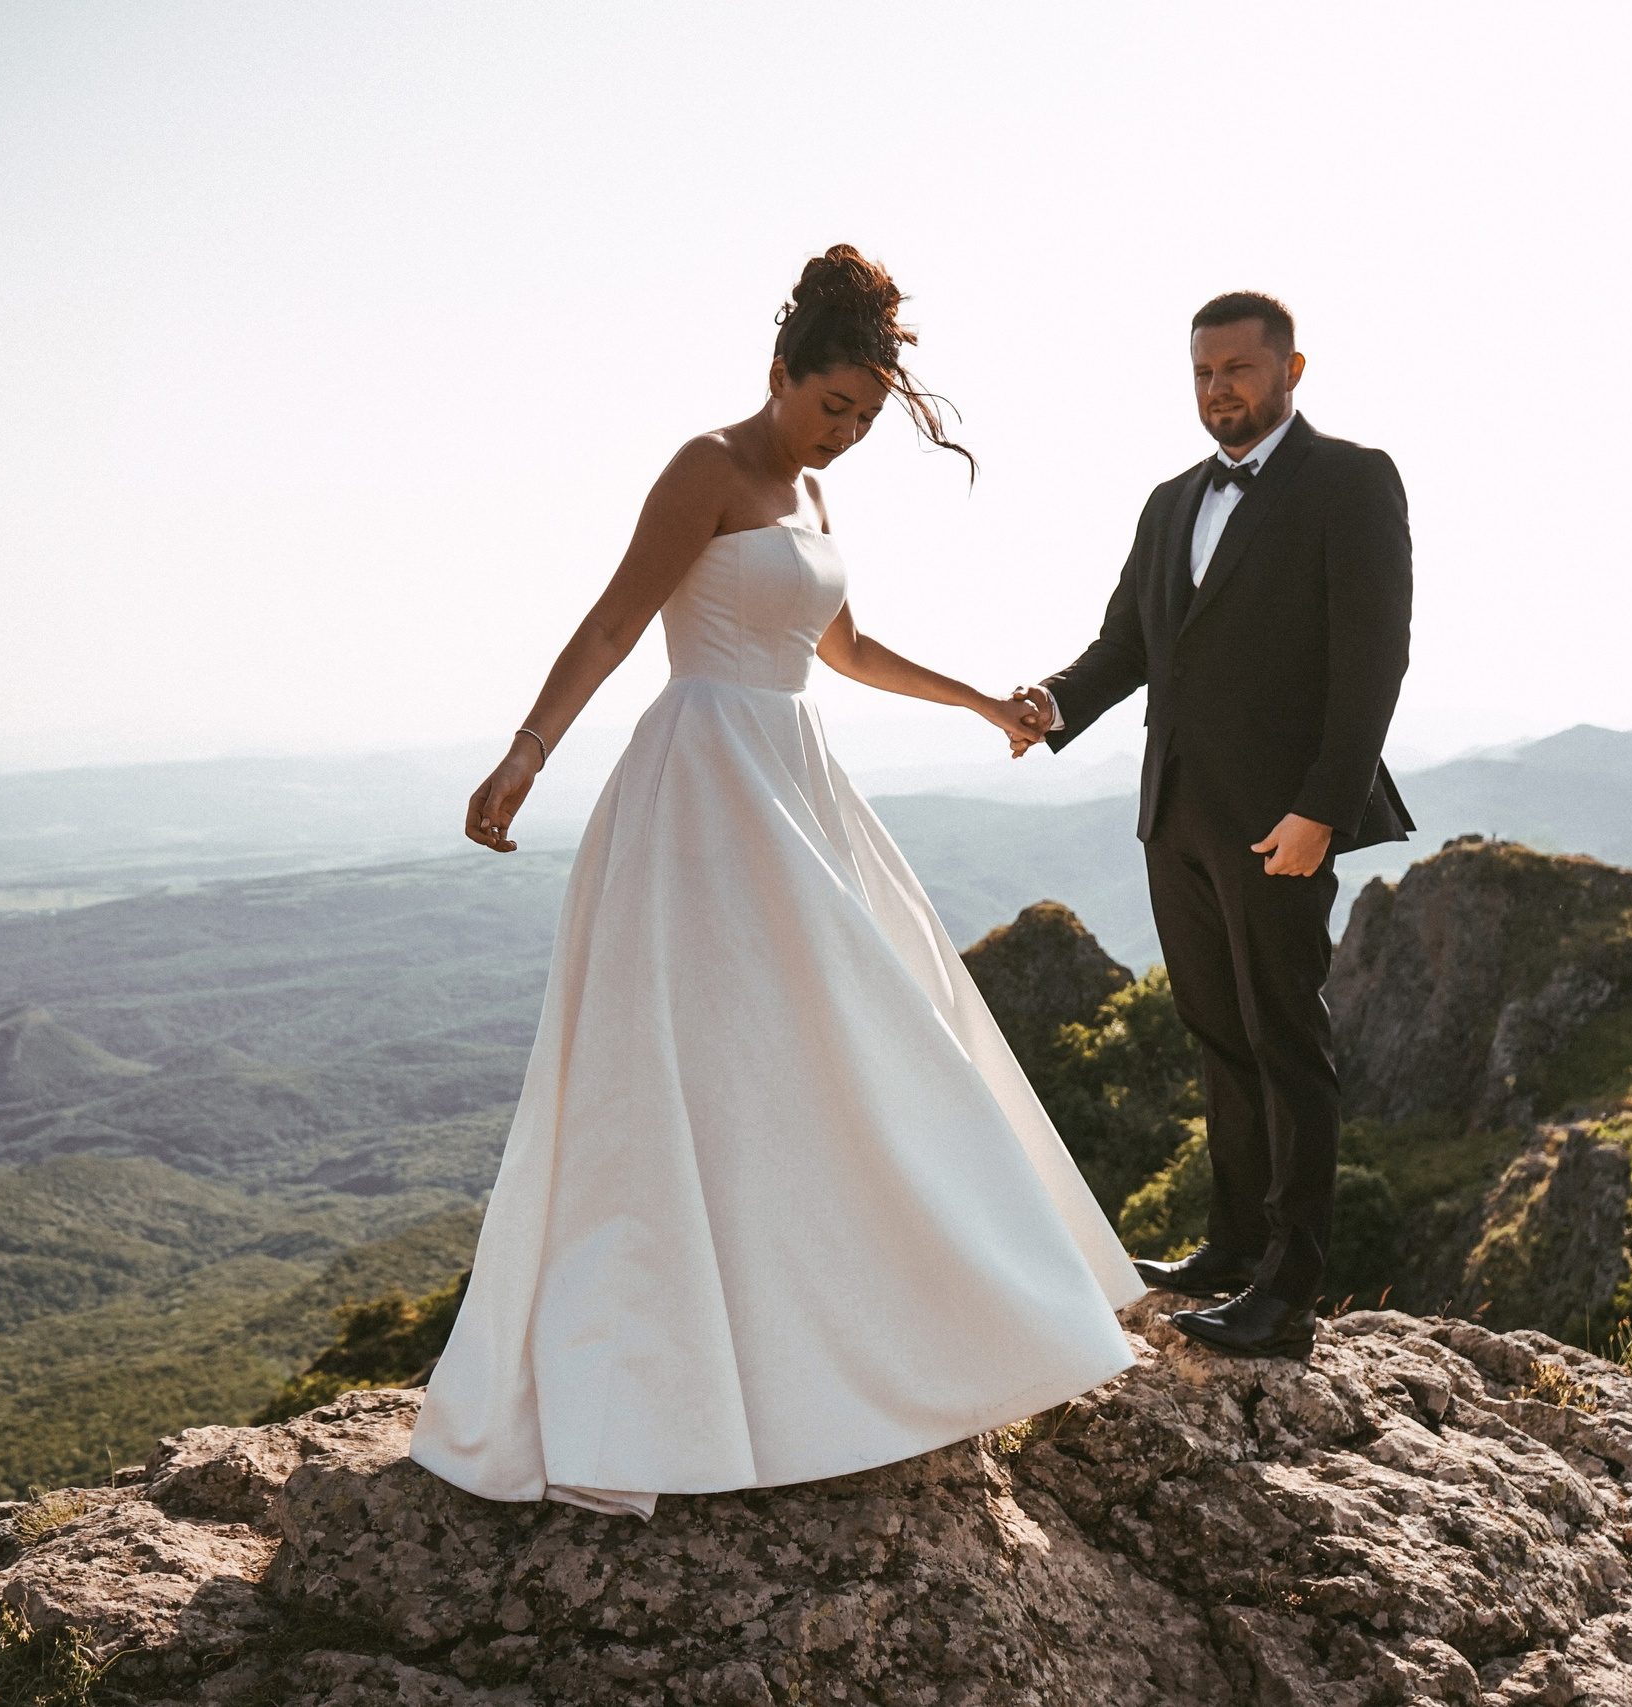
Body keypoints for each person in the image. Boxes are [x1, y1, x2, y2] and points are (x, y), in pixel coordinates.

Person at [412, 246, 1144, 1517]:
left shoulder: (812, 496)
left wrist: (978, 700)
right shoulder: (705, 467)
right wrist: (526, 755)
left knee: (853, 1041)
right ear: (778, 372)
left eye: (865, 417)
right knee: (696, 1066)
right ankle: (670, 1379)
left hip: (795, 775)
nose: (847, 433)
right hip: (701, 783)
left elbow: (841, 646)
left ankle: (862, 1342)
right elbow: (611, 621)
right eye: (831, 407)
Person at [1008, 291, 1412, 1363]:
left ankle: (1289, 1291)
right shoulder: (1168, 501)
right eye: (1202, 372)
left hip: (1282, 821)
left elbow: (1374, 659)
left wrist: (1321, 808)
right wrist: (1050, 703)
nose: (1219, 388)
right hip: (1174, 813)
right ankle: (1231, 1248)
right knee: (1217, 1034)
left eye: (1237, 368)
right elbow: (1125, 646)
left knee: (1286, 1041)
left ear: (1291, 369)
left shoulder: (1351, 480)